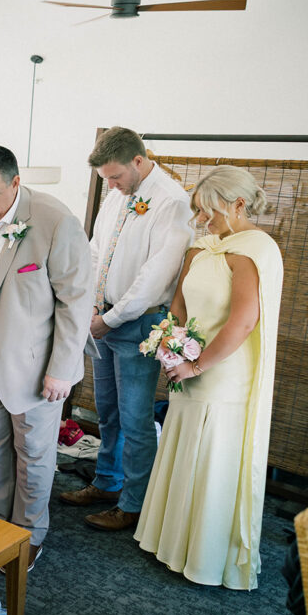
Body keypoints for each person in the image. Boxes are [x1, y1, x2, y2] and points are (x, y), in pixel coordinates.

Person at [0, 146, 93, 570]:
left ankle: (29, 534)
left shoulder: (54, 221)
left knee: (34, 450)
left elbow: (76, 302)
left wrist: (62, 370)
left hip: (34, 365)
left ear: (15, 183)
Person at [135, 166, 283, 590]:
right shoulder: (202, 248)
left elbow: (242, 322)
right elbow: (178, 308)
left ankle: (204, 554)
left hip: (223, 373)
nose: (202, 221)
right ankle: (171, 543)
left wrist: (197, 366)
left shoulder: (256, 250)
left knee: (212, 455)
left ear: (238, 204)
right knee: (183, 448)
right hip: (185, 366)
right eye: (198, 212)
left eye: (209, 211)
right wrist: (170, 347)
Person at [58, 127, 194, 531]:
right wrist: (92, 302)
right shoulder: (117, 195)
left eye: (116, 176)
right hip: (104, 317)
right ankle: (107, 483)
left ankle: (135, 505)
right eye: (106, 179)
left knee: (136, 420)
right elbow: (96, 249)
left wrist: (109, 320)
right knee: (108, 412)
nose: (111, 185)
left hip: (139, 322)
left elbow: (156, 275)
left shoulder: (172, 201)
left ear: (138, 161)